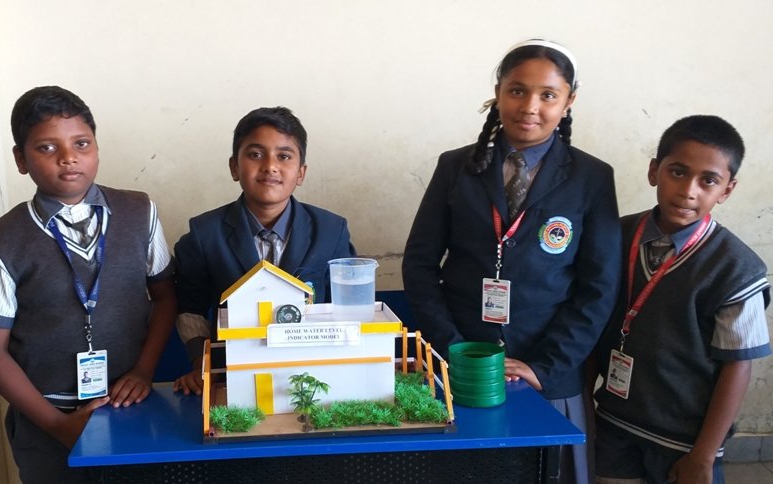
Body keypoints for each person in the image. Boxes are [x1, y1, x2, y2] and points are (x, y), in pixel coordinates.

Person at [402, 39, 621, 484]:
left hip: (549, 374)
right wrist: (454, 350)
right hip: (460, 367)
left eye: (548, 95)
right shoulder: (456, 167)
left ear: (569, 101)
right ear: (498, 92)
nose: (530, 106)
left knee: (546, 472)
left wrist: (547, 365)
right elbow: (420, 264)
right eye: (517, 90)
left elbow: (599, 287)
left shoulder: (592, 177)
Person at [0, 86, 177, 483]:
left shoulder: (140, 212)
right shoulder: (3, 240)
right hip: (44, 420)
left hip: (129, 408)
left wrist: (143, 370)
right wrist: (57, 425)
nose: (68, 157)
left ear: (96, 147)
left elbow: (166, 297)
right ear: (20, 159)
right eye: (47, 148)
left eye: (81, 143)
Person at [593, 115, 771, 484]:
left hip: (684, 442)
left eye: (709, 181)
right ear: (653, 171)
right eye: (677, 172)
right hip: (612, 423)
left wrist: (703, 456)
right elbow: (590, 323)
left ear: (727, 190)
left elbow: (737, 367)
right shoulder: (615, 235)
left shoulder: (737, 269)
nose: (689, 191)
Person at [173, 106, 356, 395]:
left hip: (314, 376)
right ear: (234, 167)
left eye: (284, 156)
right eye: (256, 154)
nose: (270, 166)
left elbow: (345, 309)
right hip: (233, 376)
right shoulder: (204, 234)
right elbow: (190, 310)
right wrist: (202, 365)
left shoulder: (331, 231)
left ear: (301, 172)